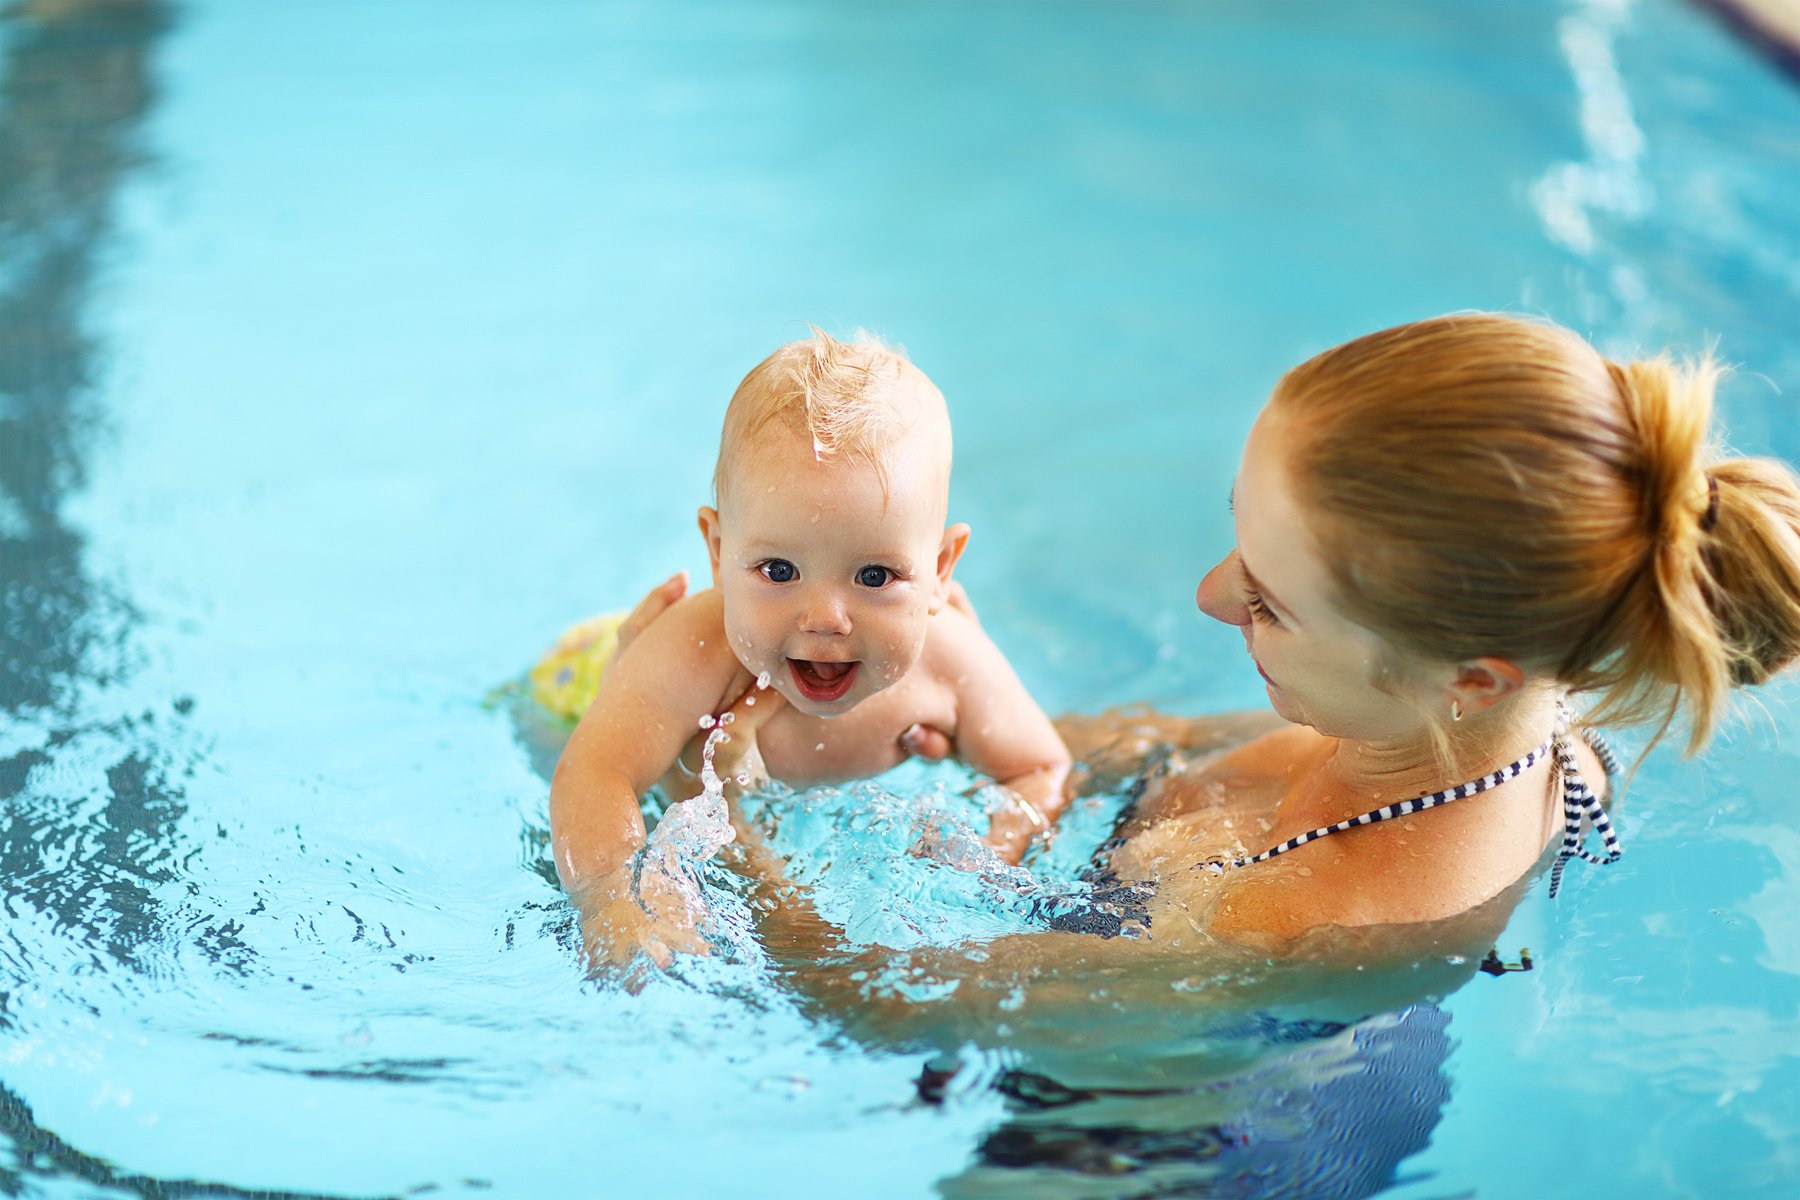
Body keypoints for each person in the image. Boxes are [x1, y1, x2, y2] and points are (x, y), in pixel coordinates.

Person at [609, 312, 1800, 984]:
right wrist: (898, 716)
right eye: (1240, 530)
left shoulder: (1310, 921)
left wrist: (697, 795)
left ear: (1468, 674)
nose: (1209, 593)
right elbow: (1154, 746)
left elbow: (881, 1002)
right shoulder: (1500, 700)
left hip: (1142, 1145)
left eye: (1272, 602)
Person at [548, 329, 1072, 965]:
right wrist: (614, 902)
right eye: (778, 570)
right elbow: (595, 771)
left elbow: (1041, 768)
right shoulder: (697, 648)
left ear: (939, 570)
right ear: (718, 553)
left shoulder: (950, 662)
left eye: (874, 577)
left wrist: (993, 852)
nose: (825, 619)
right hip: (579, 684)